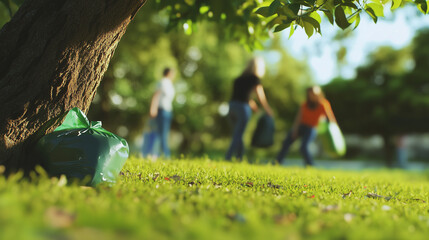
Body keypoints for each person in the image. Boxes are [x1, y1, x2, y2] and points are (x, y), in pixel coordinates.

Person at [225, 57, 273, 161]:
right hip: (242, 108)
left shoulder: (238, 79)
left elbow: (240, 96)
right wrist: (267, 109)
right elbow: (260, 96)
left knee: (238, 133)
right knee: (238, 134)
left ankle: (239, 158)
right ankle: (228, 157)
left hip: (232, 107)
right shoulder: (255, 78)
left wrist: (254, 107)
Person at [276, 86, 337, 166]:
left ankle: (310, 165)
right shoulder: (304, 104)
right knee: (286, 143)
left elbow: (331, 118)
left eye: (315, 93)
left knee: (303, 147)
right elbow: (298, 118)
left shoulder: (323, 104)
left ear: (319, 94)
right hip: (301, 126)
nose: (313, 95)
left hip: (312, 128)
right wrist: (295, 130)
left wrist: (335, 131)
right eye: (311, 93)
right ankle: (277, 162)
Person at [149, 67, 176, 158]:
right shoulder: (162, 82)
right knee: (161, 133)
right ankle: (165, 155)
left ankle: (159, 154)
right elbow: (156, 95)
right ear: (168, 73)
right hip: (161, 110)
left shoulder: (169, 84)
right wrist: (153, 108)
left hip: (168, 111)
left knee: (163, 133)